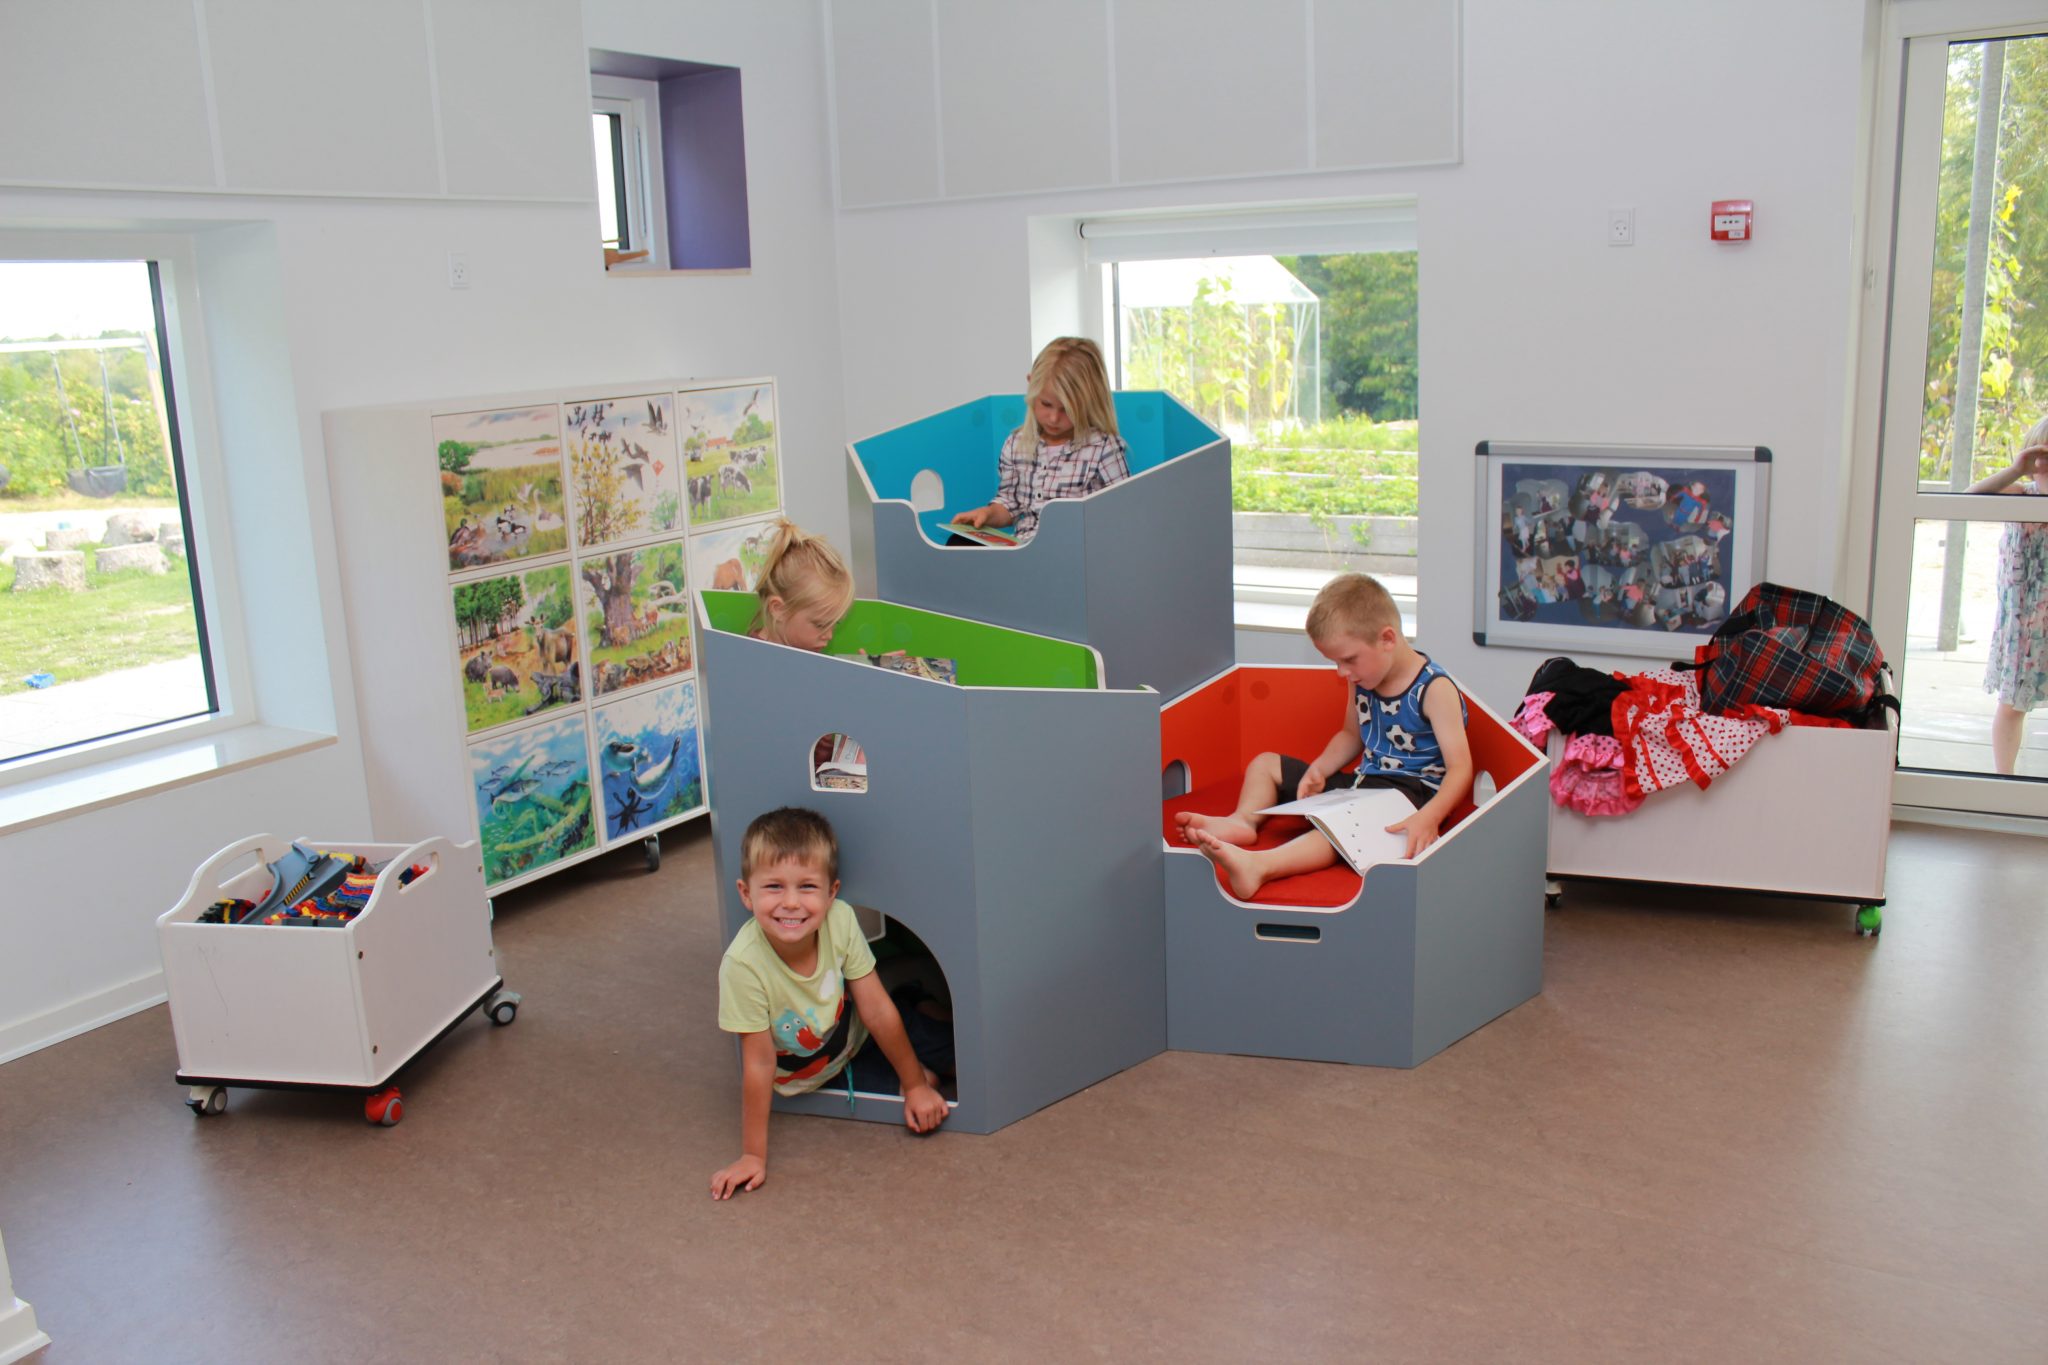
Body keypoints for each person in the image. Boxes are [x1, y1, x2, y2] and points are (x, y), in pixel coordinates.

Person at [1175, 574, 1473, 899]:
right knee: (1265, 764)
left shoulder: (1434, 689)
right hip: (1364, 783)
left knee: (1341, 827)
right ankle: (1244, 821)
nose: (1342, 672)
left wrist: (1429, 817)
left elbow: (1460, 768)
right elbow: (1351, 735)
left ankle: (1261, 866)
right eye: (1335, 662)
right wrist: (1319, 769)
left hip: (1410, 796)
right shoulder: (1363, 678)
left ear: (1387, 638)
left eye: (1348, 660)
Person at [711, 808, 951, 1198]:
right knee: (930, 1086)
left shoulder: (839, 920)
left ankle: (914, 1002)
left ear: (831, 892)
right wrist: (752, 1156)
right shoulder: (743, 966)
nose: (791, 903)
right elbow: (758, 1062)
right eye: (773, 887)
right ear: (746, 894)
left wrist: (914, 1086)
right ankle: (915, 1012)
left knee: (952, 1058)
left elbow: (875, 1010)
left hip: (857, 1031)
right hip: (819, 1071)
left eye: (807, 886)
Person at [951, 336, 1128, 544]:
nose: (1053, 418)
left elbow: (1122, 511)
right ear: (1031, 387)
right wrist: (987, 514)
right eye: (1046, 404)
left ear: (1088, 401)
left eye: (1066, 409)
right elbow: (1010, 504)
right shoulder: (1016, 444)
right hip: (1023, 550)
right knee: (958, 541)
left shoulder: (1103, 447)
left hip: (1073, 549)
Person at [1967, 417, 2048, 774]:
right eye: (2041, 454)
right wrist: (2017, 470)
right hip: (2024, 623)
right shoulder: (2021, 495)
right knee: (2012, 704)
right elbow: (1970, 499)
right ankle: (2005, 778)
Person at [748, 519, 855, 651]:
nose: (829, 636)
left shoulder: (801, 651)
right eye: (820, 625)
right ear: (778, 609)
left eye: (835, 623)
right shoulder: (752, 659)